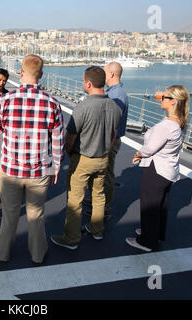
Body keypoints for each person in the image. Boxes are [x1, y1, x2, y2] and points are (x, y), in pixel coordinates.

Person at [0, 54, 64, 264]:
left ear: (21, 73)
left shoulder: (4, 100)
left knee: (9, 215)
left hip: (10, 171)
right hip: (38, 172)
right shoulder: (52, 104)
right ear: (41, 76)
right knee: (36, 216)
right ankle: (38, 255)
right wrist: (55, 167)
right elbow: (57, 141)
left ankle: (2, 253)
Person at [51, 66, 122, 249]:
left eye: (84, 81)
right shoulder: (115, 107)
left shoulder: (82, 107)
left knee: (75, 200)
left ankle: (71, 239)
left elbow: (70, 138)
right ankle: (97, 230)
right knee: (98, 195)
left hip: (83, 159)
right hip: (104, 158)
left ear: (88, 84)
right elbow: (114, 136)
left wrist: (68, 152)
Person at [126, 85, 190, 252]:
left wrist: (138, 154)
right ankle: (155, 233)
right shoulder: (180, 122)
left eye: (164, 97)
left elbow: (150, 149)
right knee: (161, 205)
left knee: (150, 205)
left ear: (173, 102)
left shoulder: (166, 125)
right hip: (169, 169)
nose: (161, 98)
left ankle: (147, 241)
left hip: (157, 170)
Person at [84, 62, 129, 219]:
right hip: (107, 139)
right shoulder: (115, 92)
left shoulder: (117, 95)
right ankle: (98, 202)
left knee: (106, 175)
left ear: (111, 74)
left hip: (110, 140)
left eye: (104, 72)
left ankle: (105, 208)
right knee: (101, 174)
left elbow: (112, 122)